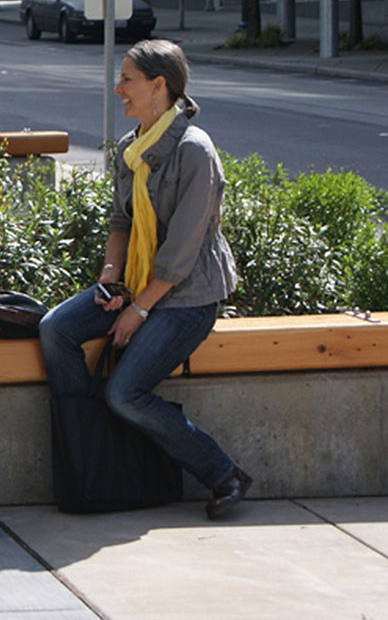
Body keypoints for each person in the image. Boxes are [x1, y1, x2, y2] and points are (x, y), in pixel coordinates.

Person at [39, 39, 250, 520]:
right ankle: (87, 450)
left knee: (125, 393)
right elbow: (121, 224)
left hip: (187, 297)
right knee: (56, 328)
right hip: (135, 283)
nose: (118, 90)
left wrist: (137, 311)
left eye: (127, 80)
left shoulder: (194, 152)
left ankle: (224, 474)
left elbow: (180, 256)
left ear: (160, 87)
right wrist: (111, 282)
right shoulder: (131, 151)